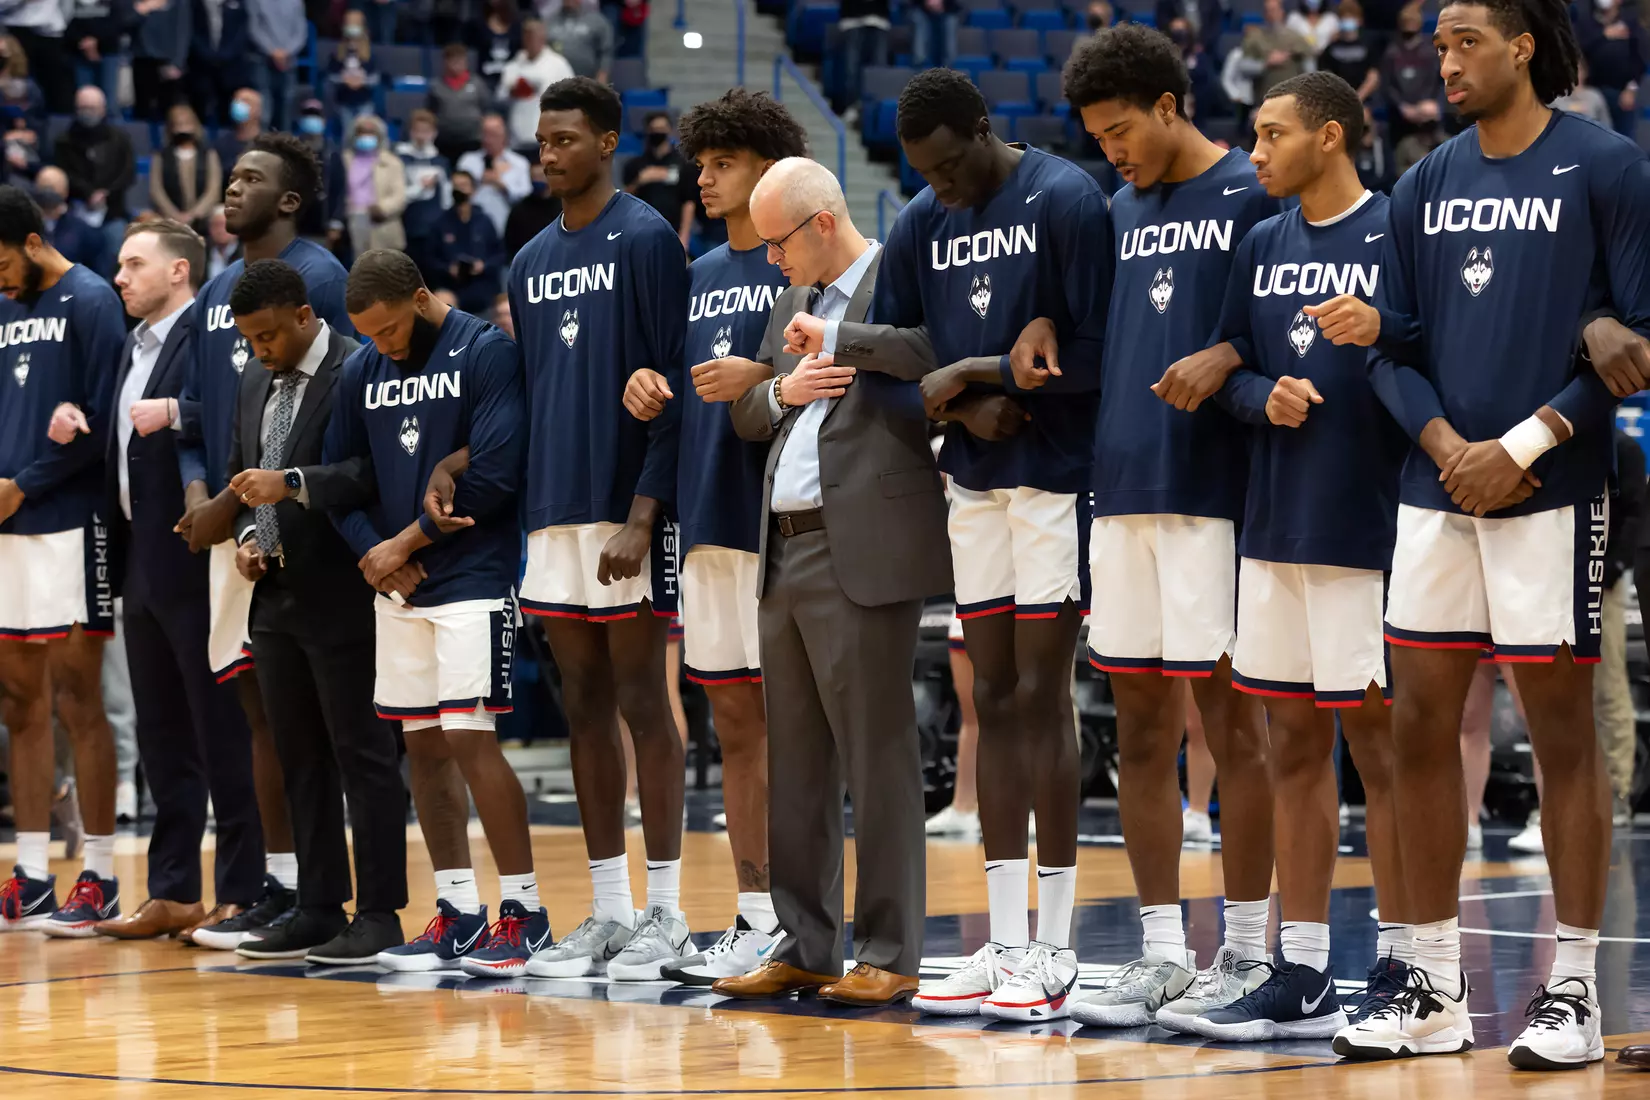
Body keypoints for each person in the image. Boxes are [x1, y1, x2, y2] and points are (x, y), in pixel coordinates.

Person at [1335, 0, 1650, 1070]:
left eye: (1466, 39)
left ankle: (1571, 993)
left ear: (1523, 44)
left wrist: (1516, 445)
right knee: (1419, 725)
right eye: (1438, 43)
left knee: (1561, 733)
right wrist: (1443, 443)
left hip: (1553, 490)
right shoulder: (1424, 180)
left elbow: (1632, 348)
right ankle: (1428, 982)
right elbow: (1389, 343)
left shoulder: (1607, 168)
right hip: (1436, 494)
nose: (1445, 60)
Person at [782, 68, 1112, 1021]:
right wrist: (969, 393)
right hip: (970, 483)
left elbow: (1099, 348)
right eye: (923, 171)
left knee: (1041, 697)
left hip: (1053, 480)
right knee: (992, 698)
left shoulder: (1066, 197)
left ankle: (1053, 947)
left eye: (951, 163)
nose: (942, 185)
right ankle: (1002, 940)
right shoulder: (927, 218)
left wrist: (990, 378)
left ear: (983, 129)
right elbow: (898, 361)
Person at [1153, 71, 1411, 1042]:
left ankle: (1407, 958)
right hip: (1272, 525)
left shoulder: (1397, 231)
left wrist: (1381, 344)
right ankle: (1301, 965)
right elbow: (1228, 366)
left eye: (1270, 136)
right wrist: (1262, 395)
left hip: (1368, 525)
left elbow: (1431, 352)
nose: (1253, 153)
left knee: (1383, 753)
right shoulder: (1261, 242)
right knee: (1290, 745)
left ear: (1331, 138)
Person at [1039, 25, 1279, 1030]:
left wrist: (1227, 353)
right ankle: (1162, 949)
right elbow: (1105, 337)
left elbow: (1284, 322)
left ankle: (1255, 948)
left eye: (1122, 130)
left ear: (1172, 105)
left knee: (1232, 725)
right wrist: (1046, 332)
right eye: (1096, 137)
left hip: (1216, 492)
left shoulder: (1254, 191)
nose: (1112, 152)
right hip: (1123, 488)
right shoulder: (1116, 208)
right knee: (1137, 728)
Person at [708, 156, 951, 1008]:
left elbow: (933, 353)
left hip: (866, 543)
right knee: (798, 760)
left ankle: (889, 949)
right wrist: (783, 388)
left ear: (819, 223)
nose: (768, 258)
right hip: (784, 547)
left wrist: (843, 347)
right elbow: (745, 412)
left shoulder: (900, 274)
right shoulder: (790, 304)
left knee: (877, 753)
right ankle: (806, 942)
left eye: (776, 241)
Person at [503, 77, 691, 981]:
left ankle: (668, 909)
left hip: (625, 512)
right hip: (552, 511)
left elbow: (677, 386)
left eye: (566, 139)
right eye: (541, 140)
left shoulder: (649, 237)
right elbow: (533, 390)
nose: (549, 153)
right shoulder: (530, 257)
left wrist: (644, 512)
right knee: (581, 707)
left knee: (643, 702)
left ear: (608, 142)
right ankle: (610, 910)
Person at [618, 88, 808, 985]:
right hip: (706, 526)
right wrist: (647, 386)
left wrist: (766, 373)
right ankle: (756, 914)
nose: (705, 177)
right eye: (703, 164)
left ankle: (815, 918)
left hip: (786, 525)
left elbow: (847, 372)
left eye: (722, 162)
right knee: (734, 723)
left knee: (801, 728)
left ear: (769, 168)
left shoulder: (807, 268)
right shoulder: (693, 274)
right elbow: (671, 405)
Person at [330, 249, 548, 977]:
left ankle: (525, 913)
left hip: (474, 576)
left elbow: (494, 472)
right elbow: (345, 480)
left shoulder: (486, 351)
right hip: (400, 588)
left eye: (390, 330)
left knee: (469, 737)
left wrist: (400, 543)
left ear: (422, 299)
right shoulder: (362, 370)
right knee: (421, 745)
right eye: (368, 334)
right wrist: (376, 556)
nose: (381, 345)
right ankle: (457, 911)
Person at [172, 133, 356, 951]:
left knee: (300, 721)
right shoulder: (216, 287)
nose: (230, 186)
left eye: (249, 178)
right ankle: (277, 884)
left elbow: (339, 410)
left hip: (303, 532)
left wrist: (243, 505)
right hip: (238, 521)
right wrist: (205, 503)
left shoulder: (319, 278)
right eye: (230, 175)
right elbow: (195, 412)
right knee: (260, 711)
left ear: (289, 200)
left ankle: (307, 887)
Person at [214, 259, 408, 964]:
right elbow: (245, 475)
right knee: (298, 754)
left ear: (302, 315)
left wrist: (292, 485)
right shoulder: (250, 378)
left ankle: (381, 910)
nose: (258, 350)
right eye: (249, 340)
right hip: (275, 591)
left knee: (362, 752)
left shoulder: (357, 369)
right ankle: (319, 905)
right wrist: (245, 537)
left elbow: (370, 473)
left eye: (267, 335)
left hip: (341, 587)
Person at [0, 186, 126, 935]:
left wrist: (25, 484)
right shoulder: (4, 306)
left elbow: (104, 422)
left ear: (30, 239)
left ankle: (102, 873)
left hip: (71, 522)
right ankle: (29, 871)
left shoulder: (89, 301)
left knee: (80, 700)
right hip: (10, 528)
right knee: (19, 705)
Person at [1593, 430, 1643, 828]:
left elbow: (1635, 515)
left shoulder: (1624, 448)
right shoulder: (1569, 446)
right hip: (1562, 580)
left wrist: (1614, 569)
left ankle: (1618, 790)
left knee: (1609, 685)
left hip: (1605, 585)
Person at [58, 86, 136, 274]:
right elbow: (64, 174)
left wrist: (105, 193)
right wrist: (88, 193)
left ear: (103, 109)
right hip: (76, 212)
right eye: (83, 107)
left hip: (112, 211)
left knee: (116, 256)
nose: (87, 113)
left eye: (92, 108)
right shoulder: (64, 141)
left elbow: (127, 173)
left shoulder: (120, 139)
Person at [331, 115, 407, 263]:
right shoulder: (344, 159)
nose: (366, 137)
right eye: (362, 132)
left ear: (379, 136)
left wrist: (382, 208)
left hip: (381, 223)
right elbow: (337, 192)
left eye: (370, 133)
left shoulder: (392, 162)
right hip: (351, 222)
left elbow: (399, 196)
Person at [432, 170, 505, 314]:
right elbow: (430, 259)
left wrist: (483, 265)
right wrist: (448, 268)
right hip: (452, 288)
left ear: (473, 189)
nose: (459, 189)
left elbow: (500, 254)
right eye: (456, 186)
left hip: (483, 286)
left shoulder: (484, 221)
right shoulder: (440, 223)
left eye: (464, 185)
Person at [622, 112, 696, 250]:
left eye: (662, 129)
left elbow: (689, 202)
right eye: (654, 129)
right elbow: (625, 198)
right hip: (642, 231)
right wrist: (640, 180)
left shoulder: (682, 164)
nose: (658, 133)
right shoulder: (635, 165)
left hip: (673, 230)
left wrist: (684, 236)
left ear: (669, 130)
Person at [395, 109, 453, 283]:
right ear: (411, 131)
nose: (421, 135)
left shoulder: (441, 161)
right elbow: (399, 195)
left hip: (434, 228)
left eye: (426, 131)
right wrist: (421, 187)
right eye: (417, 130)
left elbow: (446, 198)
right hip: (409, 226)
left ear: (434, 133)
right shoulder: (401, 158)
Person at [1573, 0, 1646, 136]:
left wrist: (1631, 89)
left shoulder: (1630, 22)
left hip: (1621, 93)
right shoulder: (1586, 19)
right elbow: (1578, 47)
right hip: (1591, 91)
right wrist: (1603, 34)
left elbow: (1640, 58)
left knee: (1623, 138)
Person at [500, 19, 574, 152]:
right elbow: (500, 97)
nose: (531, 41)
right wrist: (513, 91)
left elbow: (574, 98)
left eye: (534, 36)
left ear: (543, 38)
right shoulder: (513, 66)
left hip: (549, 140)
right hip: (517, 139)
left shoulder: (558, 64)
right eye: (527, 36)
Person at [150, 104, 222, 238]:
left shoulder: (209, 154)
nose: (182, 128)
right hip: (169, 216)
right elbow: (157, 190)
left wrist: (194, 214)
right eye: (178, 124)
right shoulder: (161, 156)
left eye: (186, 123)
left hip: (203, 215)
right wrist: (175, 215)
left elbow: (213, 189)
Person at [456, 114, 532, 238]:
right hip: (471, 228)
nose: (488, 140)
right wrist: (480, 181)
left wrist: (501, 184)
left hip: (508, 226)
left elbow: (526, 196)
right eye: (485, 134)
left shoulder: (519, 163)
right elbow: (458, 194)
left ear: (504, 136)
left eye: (493, 135)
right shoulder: (467, 161)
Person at [1380, 2, 1444, 148]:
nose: (1409, 25)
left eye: (1413, 21)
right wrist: (1402, 107)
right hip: (1400, 113)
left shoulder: (1429, 52)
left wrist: (1432, 104)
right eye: (1406, 22)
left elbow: (1438, 81)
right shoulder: (1392, 52)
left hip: (1427, 109)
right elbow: (1387, 86)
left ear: (1419, 23)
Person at [187, 0, 250, 128]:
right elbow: (189, 31)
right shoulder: (193, 4)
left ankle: (227, 143)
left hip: (230, 67)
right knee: (200, 110)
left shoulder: (238, 4)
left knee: (227, 114)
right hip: (201, 66)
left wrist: (224, 55)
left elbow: (242, 33)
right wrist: (208, 55)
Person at [1240, 0, 1315, 101]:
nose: (1270, 14)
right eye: (1267, 10)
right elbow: (1243, 67)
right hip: (1264, 98)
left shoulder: (1296, 38)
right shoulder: (1255, 38)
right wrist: (1265, 64)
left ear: (1282, 11)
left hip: (1292, 99)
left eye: (1274, 10)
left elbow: (1310, 70)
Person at [429, 44, 490, 166]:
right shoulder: (436, 86)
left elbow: (486, 108)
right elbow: (431, 112)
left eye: (460, 60)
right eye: (453, 60)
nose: (456, 64)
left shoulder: (477, 84)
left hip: (472, 140)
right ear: (445, 62)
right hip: (445, 141)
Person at [249, 0, 303, 134]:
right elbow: (253, 27)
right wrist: (272, 51)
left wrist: (287, 51)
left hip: (288, 60)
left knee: (286, 108)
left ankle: (284, 150)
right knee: (264, 108)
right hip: (262, 59)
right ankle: (261, 148)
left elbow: (301, 31)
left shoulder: (296, 2)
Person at [132, 0, 189, 125]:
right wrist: (143, 9)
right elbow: (124, 22)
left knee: (169, 111)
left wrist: (177, 62)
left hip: (168, 60)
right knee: (142, 111)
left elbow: (184, 30)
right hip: (142, 58)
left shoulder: (180, 3)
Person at [37, 167, 103, 274]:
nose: (48, 193)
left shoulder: (82, 231)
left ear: (65, 192)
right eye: (44, 187)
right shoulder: (25, 227)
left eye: (53, 188)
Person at [326, 9, 381, 135]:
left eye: (355, 23)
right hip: (343, 102)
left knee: (363, 131)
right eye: (349, 23)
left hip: (364, 101)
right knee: (348, 132)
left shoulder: (369, 55)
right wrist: (344, 79)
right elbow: (331, 77)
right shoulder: (337, 54)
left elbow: (375, 78)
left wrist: (362, 81)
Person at [67, 0, 128, 108]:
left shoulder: (114, 4)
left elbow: (119, 22)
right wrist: (82, 41)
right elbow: (65, 20)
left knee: (108, 97)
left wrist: (96, 41)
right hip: (79, 52)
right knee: (84, 96)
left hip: (108, 52)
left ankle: (110, 123)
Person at [835, 0, 891, 116]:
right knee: (852, 70)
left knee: (879, 69)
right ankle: (852, 107)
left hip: (878, 19)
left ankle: (875, 112)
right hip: (851, 19)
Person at [1320, 1, 1382, 101]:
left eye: (1351, 18)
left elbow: (1373, 77)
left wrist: (1357, 98)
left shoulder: (1369, 44)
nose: (1347, 21)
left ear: (1359, 21)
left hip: (1364, 100)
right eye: (1344, 18)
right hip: (1338, 99)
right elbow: (1326, 75)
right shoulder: (1331, 47)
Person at [544, 0, 614, 83]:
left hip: (588, 80)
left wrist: (603, 74)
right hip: (555, 79)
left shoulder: (597, 21)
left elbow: (606, 52)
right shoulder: (549, 22)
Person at [504, 161, 562, 259]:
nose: (537, 180)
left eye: (540, 176)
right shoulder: (520, 209)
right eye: (533, 177)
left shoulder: (563, 205)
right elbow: (510, 242)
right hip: (529, 261)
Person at [470, 0, 524, 97]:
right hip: (485, 80)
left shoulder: (517, 26)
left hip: (510, 81)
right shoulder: (477, 25)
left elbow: (522, 54)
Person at [215, 88, 265, 174]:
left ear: (258, 110)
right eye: (236, 100)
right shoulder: (221, 142)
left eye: (245, 101)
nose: (238, 104)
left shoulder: (267, 143)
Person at [1552, 59, 1614, 127]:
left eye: (1578, 70)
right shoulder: (1558, 95)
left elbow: (1606, 124)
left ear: (1585, 72)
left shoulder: (1594, 95)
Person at [910, 0, 960, 70]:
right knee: (917, 19)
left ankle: (949, 67)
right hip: (920, 8)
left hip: (947, 9)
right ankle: (920, 64)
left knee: (951, 21)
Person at [204, 205, 237, 279]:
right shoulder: (203, 252)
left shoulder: (245, 254)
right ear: (209, 228)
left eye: (224, 225)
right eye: (216, 225)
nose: (220, 230)